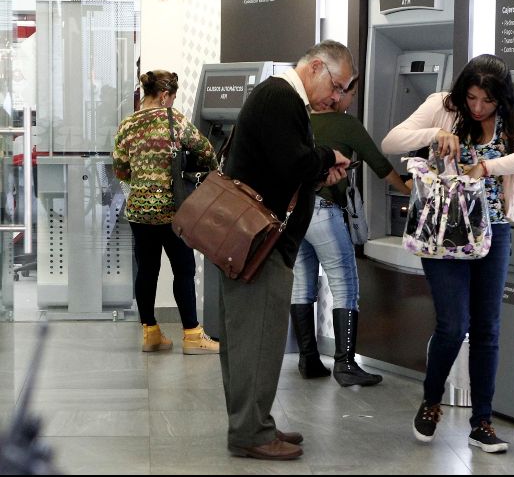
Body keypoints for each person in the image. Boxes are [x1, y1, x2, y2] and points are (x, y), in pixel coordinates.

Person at [381, 54, 514, 453]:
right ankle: (431, 401)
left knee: (487, 328)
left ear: (500, 98)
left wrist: (489, 167)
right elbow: (389, 141)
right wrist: (435, 134)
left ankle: (481, 422)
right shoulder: (443, 105)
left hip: (494, 231)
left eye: (486, 101)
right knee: (453, 325)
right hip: (444, 232)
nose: (477, 107)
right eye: (471, 97)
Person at [218, 40, 353, 461]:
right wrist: (326, 155)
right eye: (337, 85)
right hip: (260, 243)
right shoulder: (280, 96)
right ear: (315, 67)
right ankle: (251, 433)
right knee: (257, 342)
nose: (337, 98)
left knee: (249, 342)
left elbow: (284, 166)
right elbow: (292, 162)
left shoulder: (280, 97)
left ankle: (254, 422)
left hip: (257, 241)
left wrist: (316, 169)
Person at [290, 78, 411, 387]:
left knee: (302, 285)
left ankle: (308, 359)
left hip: (294, 213)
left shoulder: (299, 118)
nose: (351, 100)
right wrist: (410, 189)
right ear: (338, 95)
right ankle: (345, 364)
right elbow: (379, 163)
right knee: (345, 285)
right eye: (351, 94)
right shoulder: (346, 125)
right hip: (324, 211)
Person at [113, 69, 220, 356]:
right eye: (172, 97)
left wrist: (143, 182)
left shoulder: (127, 125)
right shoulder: (175, 121)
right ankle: (193, 336)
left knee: (146, 270)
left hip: (139, 211)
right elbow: (208, 152)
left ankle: (150, 333)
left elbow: (120, 169)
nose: (172, 102)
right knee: (183, 269)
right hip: (173, 210)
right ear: (164, 95)